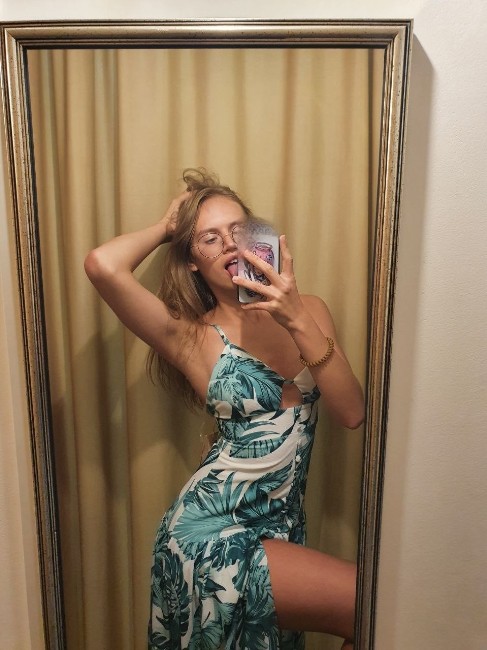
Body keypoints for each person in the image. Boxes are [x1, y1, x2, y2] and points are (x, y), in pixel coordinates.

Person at [84, 168, 365, 650]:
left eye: (238, 229)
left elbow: (352, 412)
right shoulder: (191, 337)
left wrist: (295, 316)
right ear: (192, 261)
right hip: (209, 534)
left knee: (377, 604)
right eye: (209, 239)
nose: (230, 244)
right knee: (367, 601)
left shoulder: (311, 309)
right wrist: (166, 227)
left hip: (278, 525)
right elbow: (102, 266)